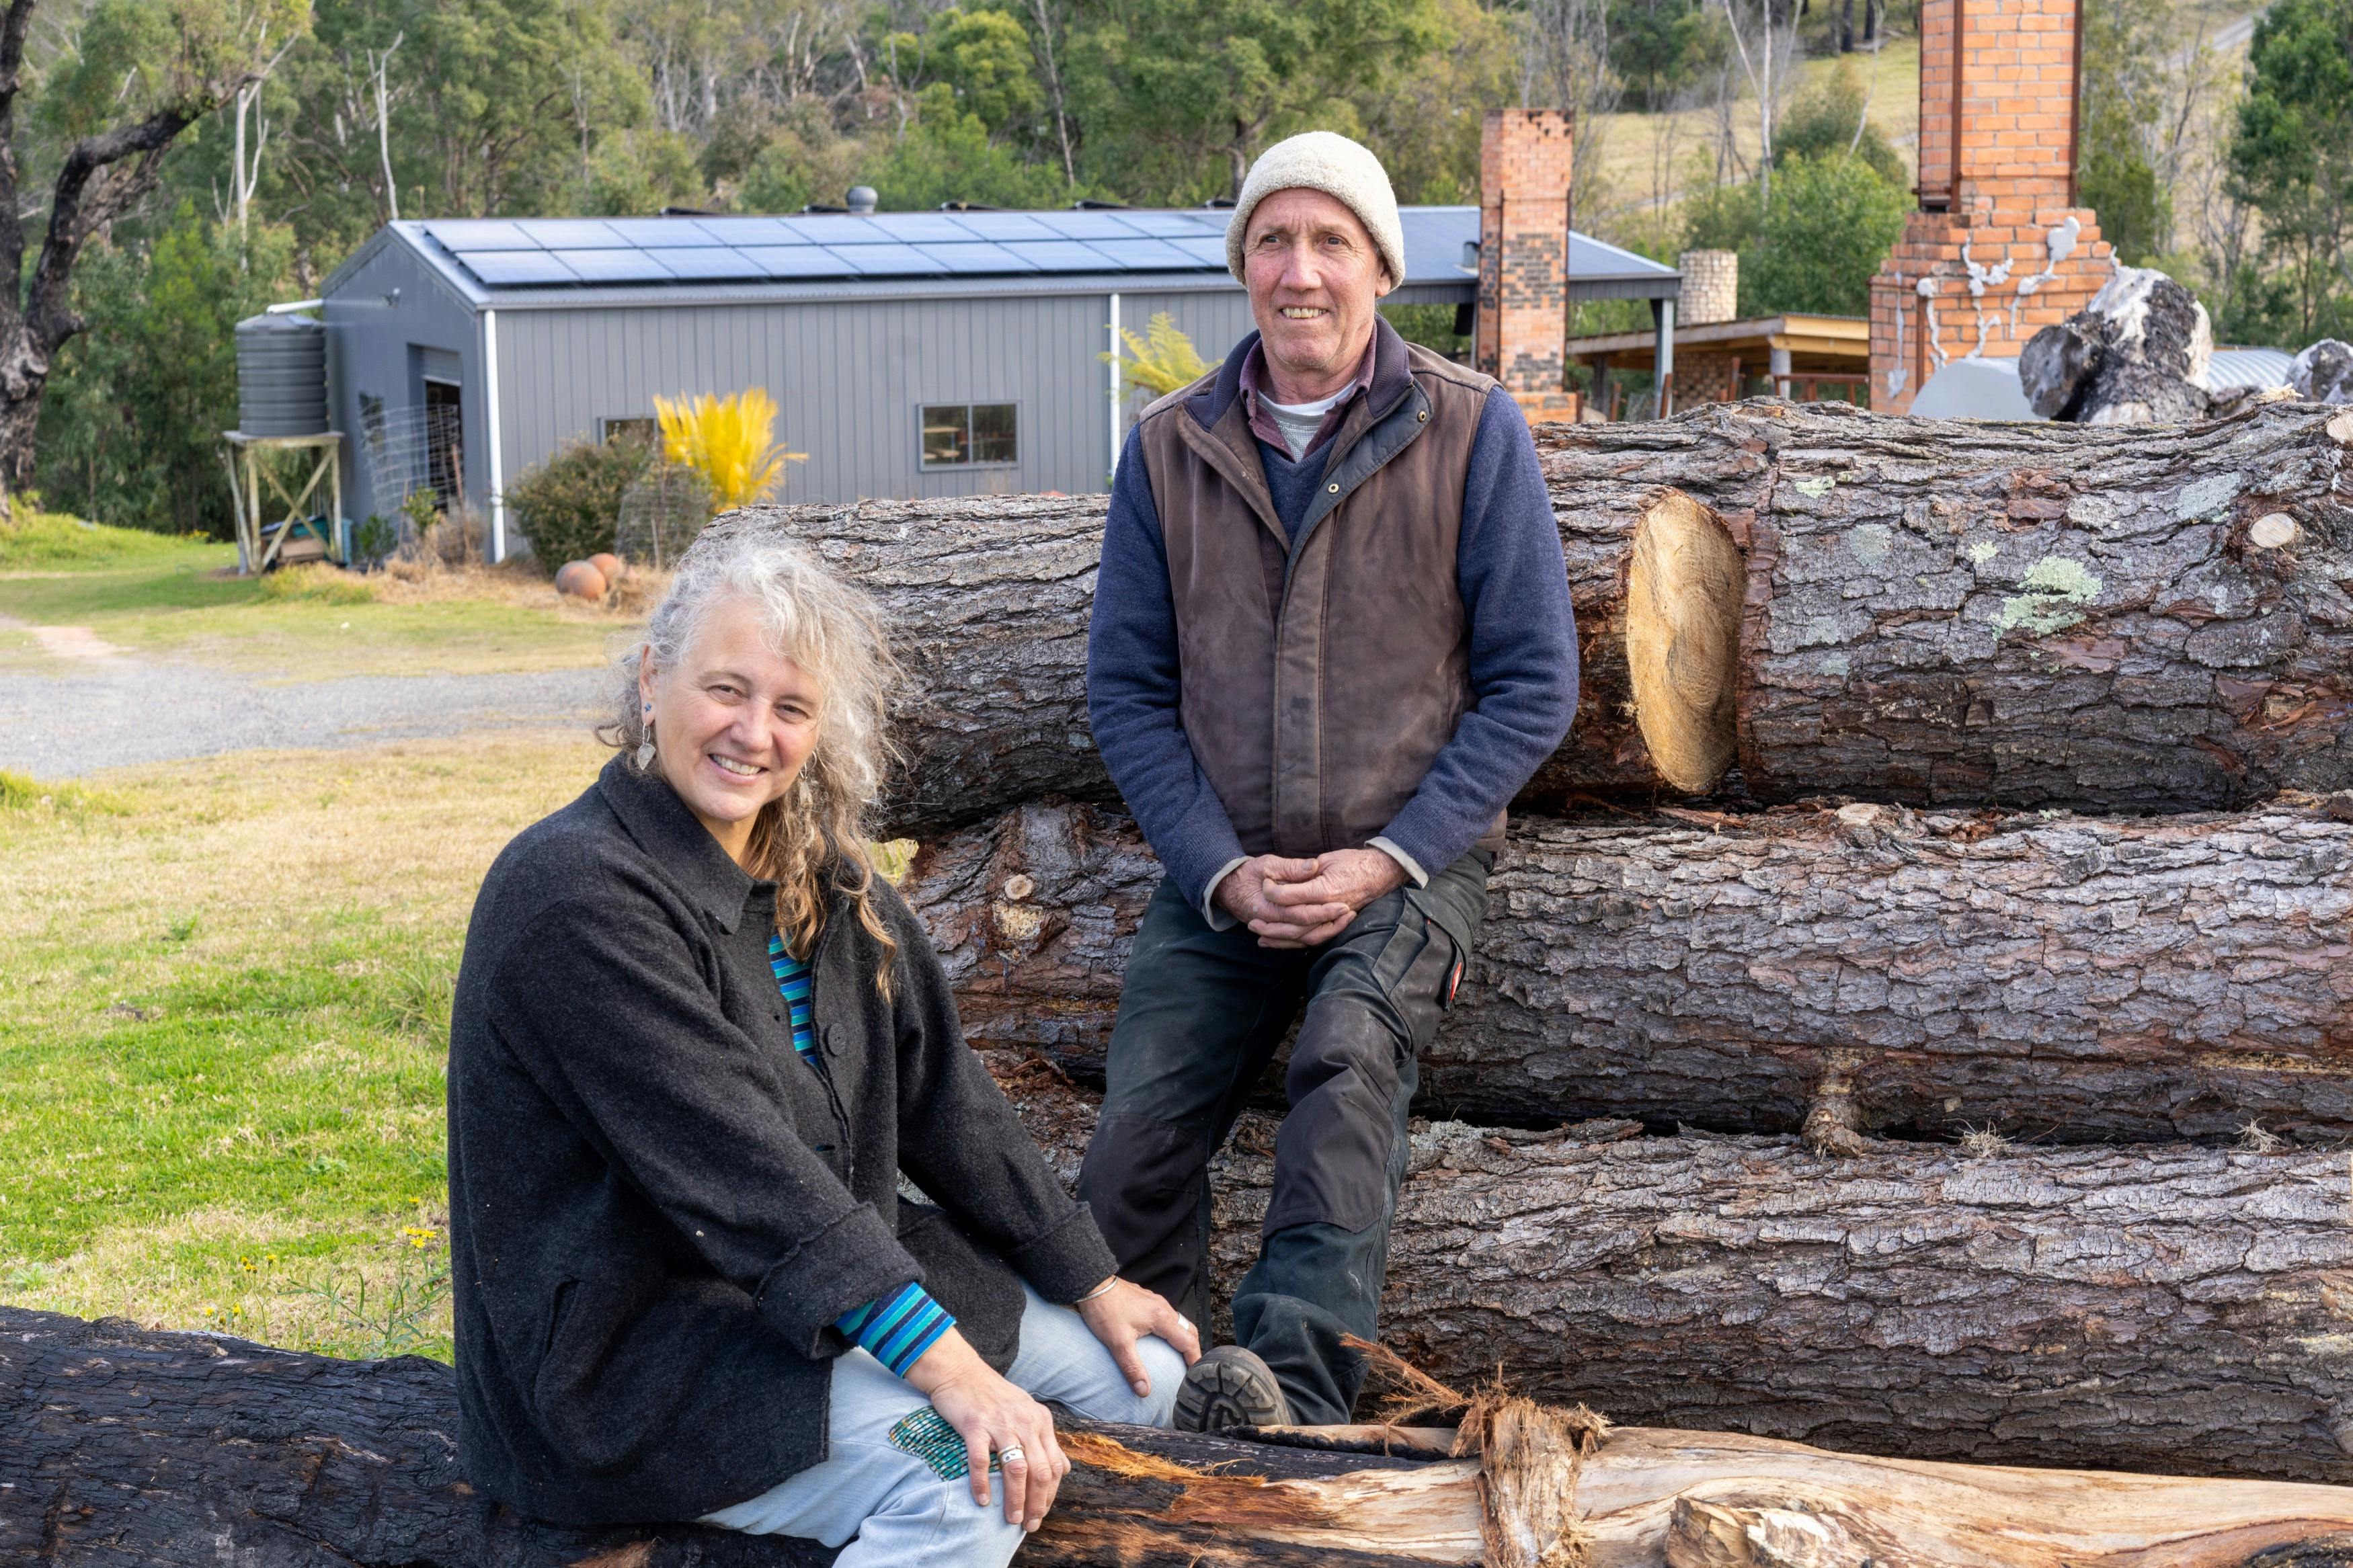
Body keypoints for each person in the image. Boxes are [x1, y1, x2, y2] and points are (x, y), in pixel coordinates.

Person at [446, 529, 1197, 1566]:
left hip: (830, 1303)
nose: (754, 733)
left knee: (1142, 1378)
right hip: (643, 1364)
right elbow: (741, 1171)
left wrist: (1091, 1276)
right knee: (965, 1475)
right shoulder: (573, 896)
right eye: (726, 689)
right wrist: (955, 1372)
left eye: (791, 708)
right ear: (652, 678)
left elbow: (948, 1099)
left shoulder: (817, 872)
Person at [1080, 130, 1581, 1431]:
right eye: (1273, 241)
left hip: (1406, 863)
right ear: (1243, 263)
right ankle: (1149, 1393)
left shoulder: (1473, 432)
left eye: (1331, 243)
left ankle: (1287, 1403)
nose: (1299, 271)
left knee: (1349, 1062)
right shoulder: (1169, 449)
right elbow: (1126, 692)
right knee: (1136, 1128)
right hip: (1225, 867)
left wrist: (1386, 859)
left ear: (1381, 271)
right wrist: (1222, 869)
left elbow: (1537, 684)